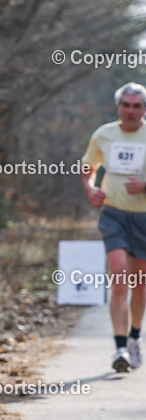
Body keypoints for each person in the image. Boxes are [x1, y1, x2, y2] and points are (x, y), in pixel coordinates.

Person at [82, 82, 146, 372]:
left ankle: (134, 337)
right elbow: (87, 168)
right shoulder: (104, 134)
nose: (131, 111)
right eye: (126, 105)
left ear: (144, 109)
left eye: (137, 106)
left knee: (139, 285)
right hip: (114, 214)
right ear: (118, 107)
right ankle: (119, 347)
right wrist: (91, 189)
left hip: (143, 217)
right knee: (120, 279)